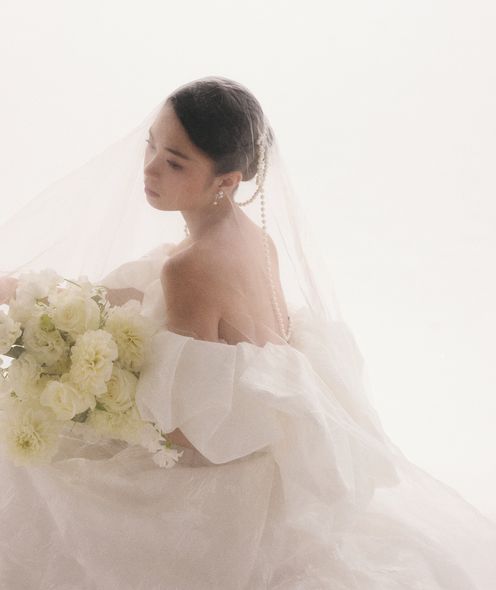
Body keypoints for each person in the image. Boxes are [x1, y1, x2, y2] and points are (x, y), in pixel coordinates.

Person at [0, 76, 495, 589]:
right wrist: (30, 296)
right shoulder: (251, 239)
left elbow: (186, 432)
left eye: (175, 162)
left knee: (33, 471)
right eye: (151, 145)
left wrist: (91, 398)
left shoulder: (191, 268)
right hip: (267, 458)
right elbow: (143, 295)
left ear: (227, 180)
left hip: (217, 479)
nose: (149, 168)